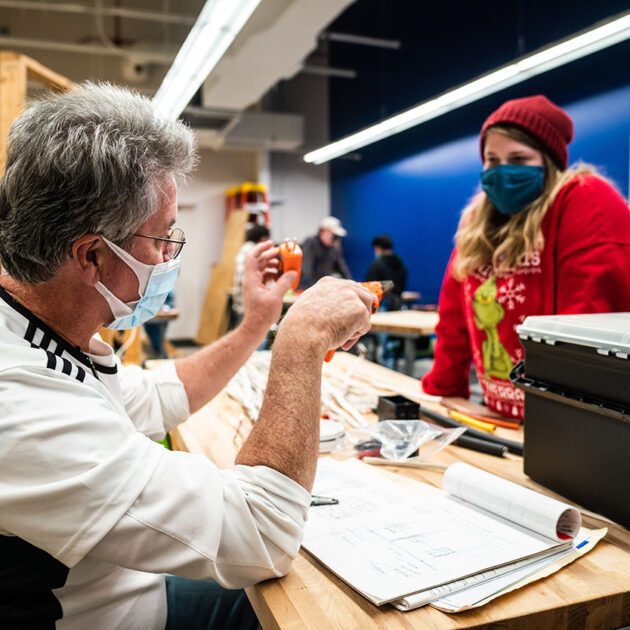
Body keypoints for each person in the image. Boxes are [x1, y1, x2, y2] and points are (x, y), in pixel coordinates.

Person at [0, 84, 374, 629]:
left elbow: (157, 396)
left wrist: (257, 324)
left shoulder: (37, 324)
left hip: (131, 592)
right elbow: (262, 533)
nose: (168, 256)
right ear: (92, 255)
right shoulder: (19, 401)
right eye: (160, 239)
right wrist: (300, 345)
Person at [421, 95, 630, 420]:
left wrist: (563, 418)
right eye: (492, 159)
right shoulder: (478, 221)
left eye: (519, 158)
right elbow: (454, 318)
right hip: (499, 417)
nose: (503, 170)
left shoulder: (584, 200)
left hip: (569, 418)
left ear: (548, 162)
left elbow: (588, 321)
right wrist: (444, 391)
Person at [232, 223, 270, 325]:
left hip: (241, 300)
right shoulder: (254, 252)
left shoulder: (244, 248)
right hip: (249, 302)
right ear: (263, 238)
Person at [299, 216, 352, 289]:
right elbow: (307, 270)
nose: (334, 239)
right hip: (306, 288)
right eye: (332, 235)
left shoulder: (334, 247)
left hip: (322, 287)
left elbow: (342, 267)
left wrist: (351, 284)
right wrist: (314, 289)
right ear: (323, 232)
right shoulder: (311, 243)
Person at [365, 234, 408, 311]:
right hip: (398, 304)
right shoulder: (400, 263)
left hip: (381, 306)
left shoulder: (376, 265)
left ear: (377, 248)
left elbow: (369, 287)